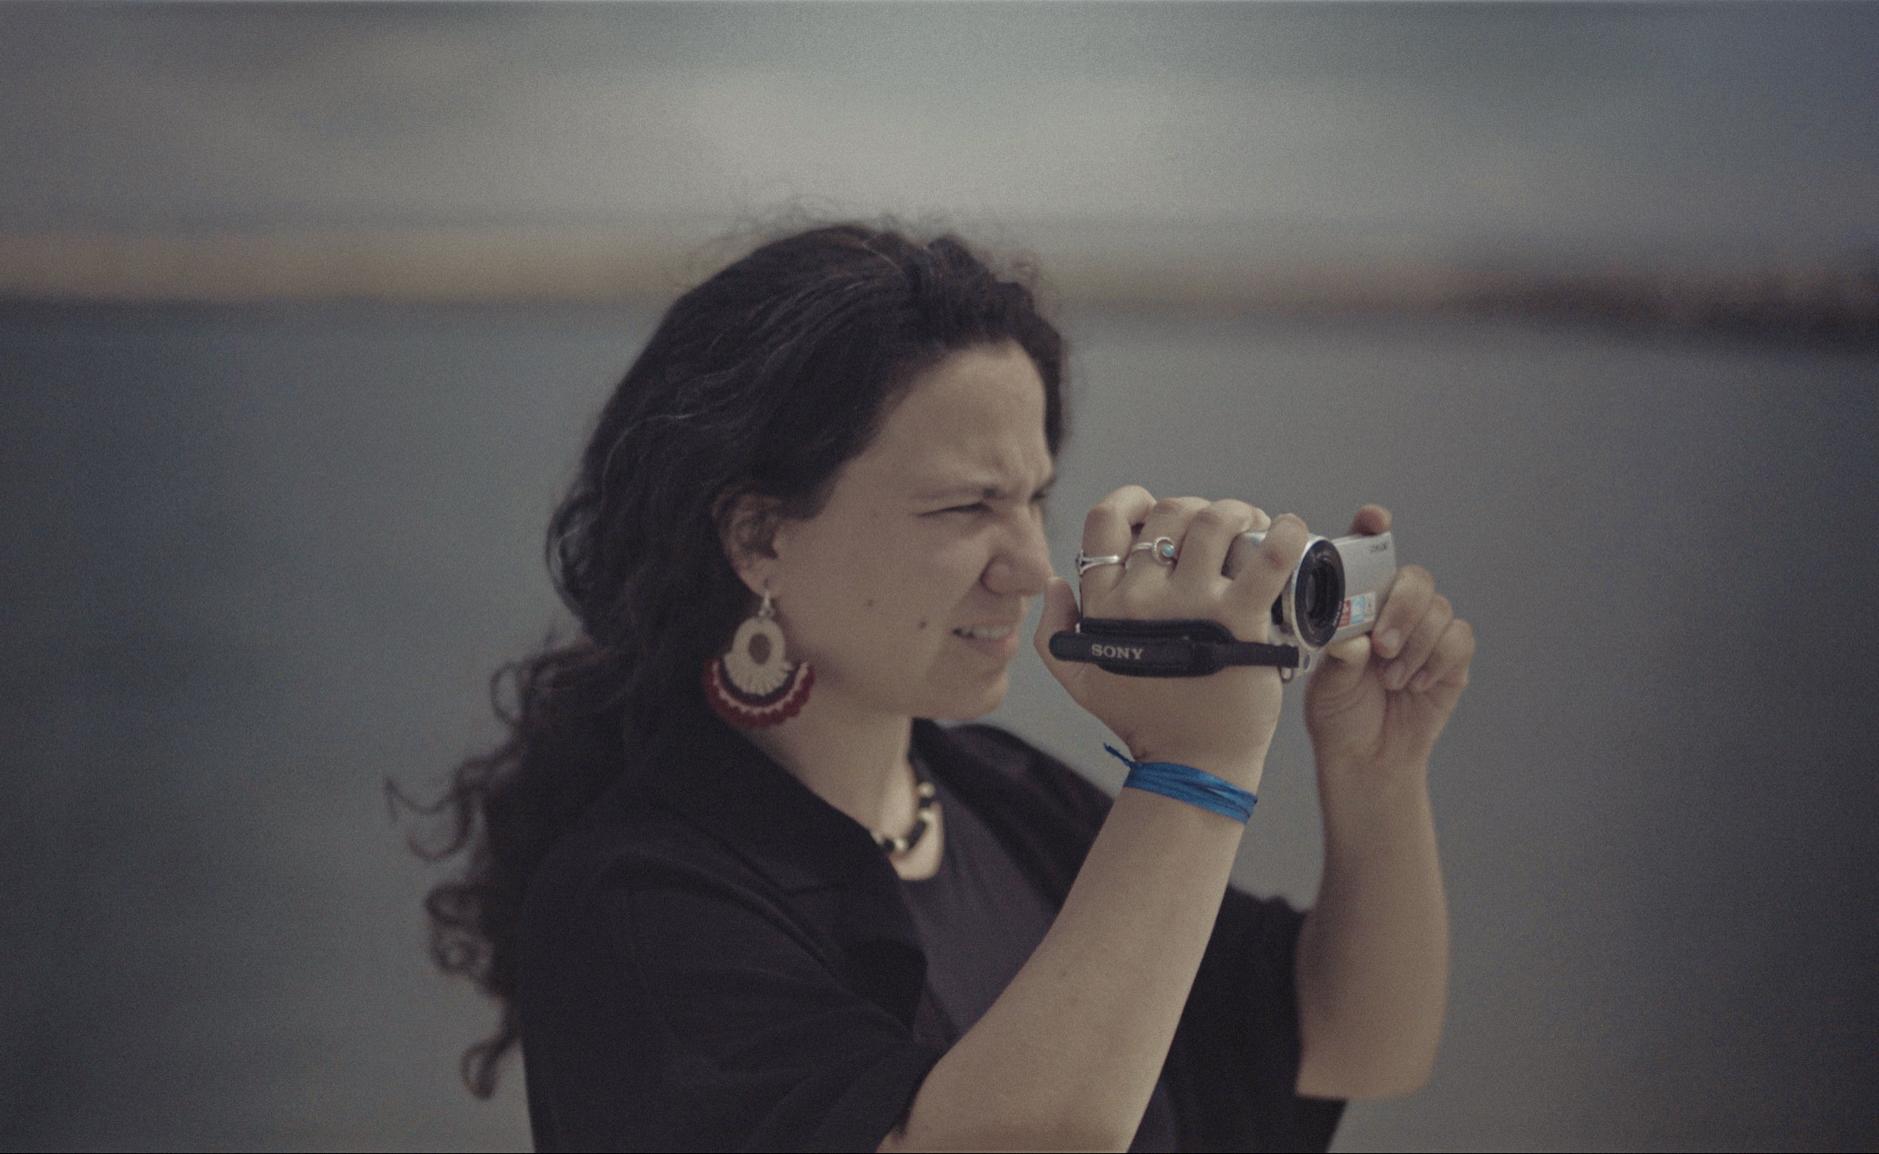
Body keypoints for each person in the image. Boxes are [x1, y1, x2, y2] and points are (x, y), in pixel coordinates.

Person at [395, 217, 1475, 1151]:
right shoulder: (639, 899)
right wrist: (1195, 766)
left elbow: (1356, 1042)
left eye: (1034, 500)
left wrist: (1377, 773)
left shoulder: (997, 795)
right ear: (760, 536)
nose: (1030, 567)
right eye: (963, 508)